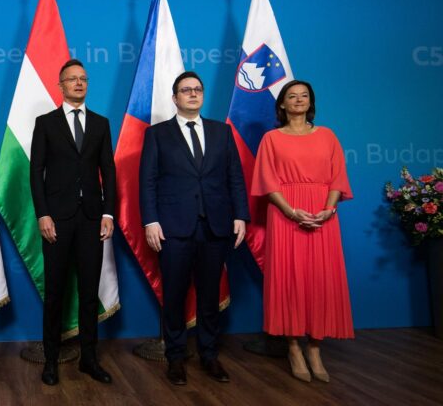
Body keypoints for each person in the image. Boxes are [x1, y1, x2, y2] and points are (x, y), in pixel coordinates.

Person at [139, 71, 249, 386]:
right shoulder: (157, 134)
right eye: (186, 90)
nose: (192, 93)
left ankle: (209, 355)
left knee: (210, 295)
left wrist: (240, 216)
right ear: (175, 98)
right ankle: (175, 357)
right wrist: (150, 220)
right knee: (174, 296)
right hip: (173, 228)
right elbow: (147, 181)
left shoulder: (221, 132)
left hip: (216, 226)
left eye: (197, 89)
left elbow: (235, 177)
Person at [251, 80, 353, 383]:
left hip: (323, 216)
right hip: (286, 215)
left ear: (311, 102)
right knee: (289, 279)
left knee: (320, 280)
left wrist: (329, 210)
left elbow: (338, 178)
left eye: (304, 96)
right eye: (292, 96)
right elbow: (267, 181)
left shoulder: (327, 136)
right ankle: (294, 348)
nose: (298, 100)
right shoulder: (271, 138)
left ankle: (315, 349)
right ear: (282, 104)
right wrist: (290, 211)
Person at [30, 59, 116, 386]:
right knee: (55, 292)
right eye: (72, 79)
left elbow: (108, 171)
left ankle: (88, 359)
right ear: (61, 85)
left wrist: (108, 213)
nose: (79, 83)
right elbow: (36, 171)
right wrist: (42, 213)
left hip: (92, 219)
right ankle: (51, 360)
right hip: (57, 219)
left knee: (89, 292)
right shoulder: (45, 123)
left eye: (83, 79)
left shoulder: (100, 123)